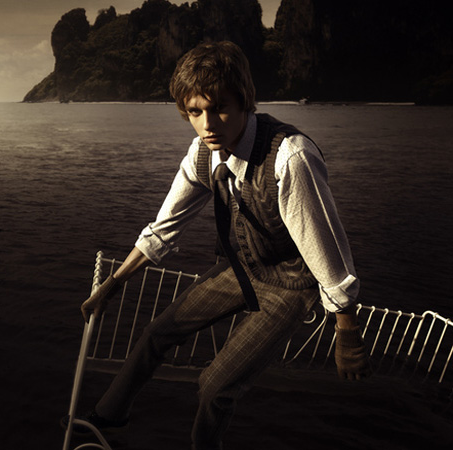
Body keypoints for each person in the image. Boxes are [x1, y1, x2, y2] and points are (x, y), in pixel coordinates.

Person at [75, 41, 371, 450]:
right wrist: (113, 284)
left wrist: (347, 331)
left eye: (220, 108)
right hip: (246, 267)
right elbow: (163, 230)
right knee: (157, 333)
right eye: (195, 112)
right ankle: (110, 415)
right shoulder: (203, 153)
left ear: (245, 101)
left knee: (214, 386)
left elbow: (329, 254)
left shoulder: (290, 157)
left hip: (292, 285)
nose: (207, 124)